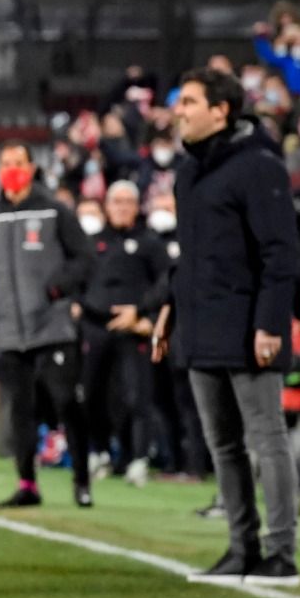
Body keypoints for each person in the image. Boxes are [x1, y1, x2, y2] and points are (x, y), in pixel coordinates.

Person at [155, 68, 300, 587]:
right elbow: (191, 256)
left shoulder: (259, 166)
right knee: (224, 447)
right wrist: (170, 309)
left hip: (247, 327)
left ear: (221, 110)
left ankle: (281, 554)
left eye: (189, 101)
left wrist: (269, 324)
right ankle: (241, 549)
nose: (180, 111)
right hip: (201, 325)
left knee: (268, 441)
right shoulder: (189, 172)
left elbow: (281, 254)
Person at [0, 140, 95, 508]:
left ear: (32, 166)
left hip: (52, 326)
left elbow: (85, 257)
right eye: (5, 163)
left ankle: (82, 480)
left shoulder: (55, 211)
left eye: (17, 162)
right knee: (19, 409)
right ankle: (27, 483)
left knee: (66, 400)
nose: (11, 168)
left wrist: (58, 288)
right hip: (9, 330)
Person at [78, 182, 170, 487]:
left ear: (137, 206)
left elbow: (167, 282)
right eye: (116, 201)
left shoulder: (149, 243)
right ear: (106, 205)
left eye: (128, 201)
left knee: (136, 395)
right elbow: (76, 277)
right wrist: (76, 306)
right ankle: (101, 452)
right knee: (93, 394)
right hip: (95, 325)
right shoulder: (90, 242)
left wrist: (146, 316)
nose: (121, 207)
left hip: (133, 329)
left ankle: (139, 459)